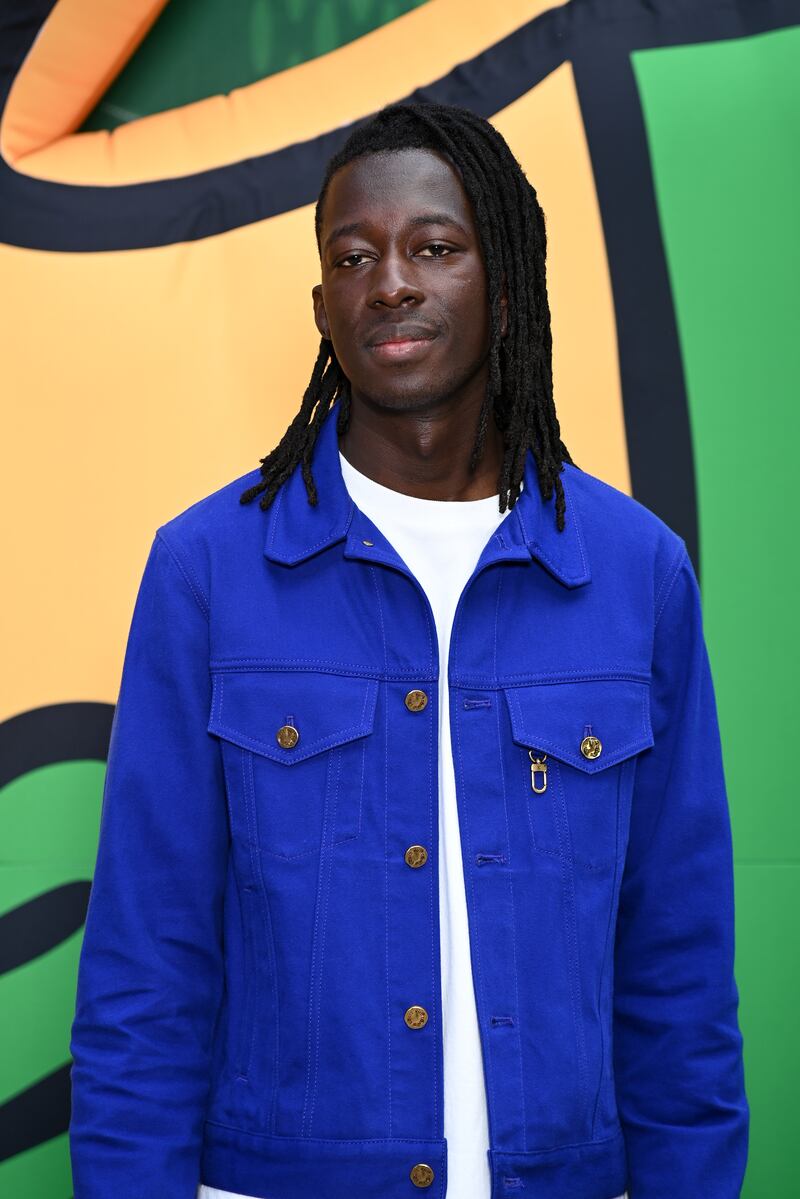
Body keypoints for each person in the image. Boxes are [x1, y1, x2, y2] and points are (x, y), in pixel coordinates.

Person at [68, 101, 749, 1199]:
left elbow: (674, 969)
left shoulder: (634, 570)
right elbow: (147, 971)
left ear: (508, 281)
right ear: (321, 304)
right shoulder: (207, 568)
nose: (389, 280)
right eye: (353, 256)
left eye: (433, 247)